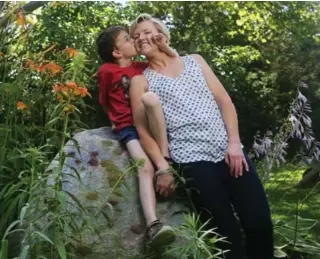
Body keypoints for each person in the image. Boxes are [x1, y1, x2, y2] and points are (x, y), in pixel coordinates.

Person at [129, 14, 274, 259]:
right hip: (193, 161)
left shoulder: (195, 61)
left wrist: (235, 143)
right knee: (226, 234)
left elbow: (224, 101)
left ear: (161, 34)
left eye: (145, 31)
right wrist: (163, 167)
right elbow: (143, 131)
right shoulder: (140, 81)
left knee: (259, 223)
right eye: (135, 36)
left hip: (228, 151)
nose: (140, 38)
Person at [96, 25, 176, 246]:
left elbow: (171, 62)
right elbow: (104, 100)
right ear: (116, 52)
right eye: (127, 39)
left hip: (148, 123)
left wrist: (163, 45)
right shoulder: (107, 71)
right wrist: (113, 120)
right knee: (144, 167)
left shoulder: (142, 67)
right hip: (127, 127)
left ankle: (168, 171)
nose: (134, 40)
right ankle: (153, 225)